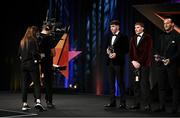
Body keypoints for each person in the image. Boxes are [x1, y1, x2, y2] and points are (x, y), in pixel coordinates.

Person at [154, 18, 180, 113]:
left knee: (174, 87)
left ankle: (174, 108)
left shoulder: (177, 36)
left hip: (172, 65)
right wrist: (156, 56)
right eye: (164, 23)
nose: (165, 25)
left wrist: (170, 60)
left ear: (172, 24)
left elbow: (179, 52)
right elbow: (156, 49)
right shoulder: (160, 36)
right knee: (161, 87)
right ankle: (162, 107)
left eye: (167, 23)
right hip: (161, 65)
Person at [18, 26, 45, 111]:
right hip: (32, 65)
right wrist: (40, 56)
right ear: (33, 32)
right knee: (36, 83)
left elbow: (19, 55)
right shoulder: (33, 40)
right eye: (36, 32)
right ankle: (38, 102)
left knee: (24, 84)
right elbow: (34, 53)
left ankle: (24, 104)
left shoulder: (22, 41)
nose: (37, 34)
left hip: (23, 65)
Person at [104, 20, 129, 109]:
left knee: (120, 82)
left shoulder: (123, 37)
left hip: (118, 62)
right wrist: (107, 51)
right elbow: (107, 47)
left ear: (118, 27)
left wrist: (117, 54)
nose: (111, 28)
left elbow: (126, 49)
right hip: (110, 62)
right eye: (111, 27)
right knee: (111, 83)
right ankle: (112, 102)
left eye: (113, 26)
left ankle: (123, 103)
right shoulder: (109, 36)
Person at [129, 22, 152, 111]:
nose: (136, 29)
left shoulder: (148, 38)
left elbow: (147, 52)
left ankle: (147, 104)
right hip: (135, 66)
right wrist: (133, 61)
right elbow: (130, 52)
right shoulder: (133, 38)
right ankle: (136, 104)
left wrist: (139, 62)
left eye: (137, 27)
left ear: (142, 28)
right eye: (135, 28)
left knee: (145, 84)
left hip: (144, 65)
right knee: (136, 84)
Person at [38, 24, 56, 108]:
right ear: (48, 29)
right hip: (47, 64)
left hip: (37, 63)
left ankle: (37, 101)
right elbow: (54, 53)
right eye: (52, 30)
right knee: (48, 83)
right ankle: (49, 101)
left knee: (37, 82)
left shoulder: (37, 38)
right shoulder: (49, 39)